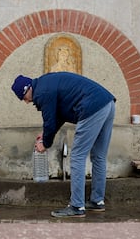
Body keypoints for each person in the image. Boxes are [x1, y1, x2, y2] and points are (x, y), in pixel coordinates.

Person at [11, 72, 116, 218]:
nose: (26, 102)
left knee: (77, 157)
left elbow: (49, 121)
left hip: (92, 107)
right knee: (99, 156)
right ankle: (97, 201)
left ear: (27, 89)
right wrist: (45, 134)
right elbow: (58, 117)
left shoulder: (42, 93)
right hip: (107, 104)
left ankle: (77, 206)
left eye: (24, 98)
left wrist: (45, 143)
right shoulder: (46, 84)